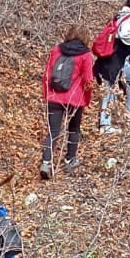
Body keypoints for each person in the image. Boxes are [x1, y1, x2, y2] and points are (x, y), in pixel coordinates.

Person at [40, 26, 95, 179]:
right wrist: (86, 99)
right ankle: (70, 160)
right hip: (75, 99)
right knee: (74, 129)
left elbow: (47, 74)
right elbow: (88, 80)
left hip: (54, 96)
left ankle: (46, 162)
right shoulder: (86, 55)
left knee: (53, 131)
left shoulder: (56, 50)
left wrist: (47, 94)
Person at [95, 0, 130, 132]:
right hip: (115, 59)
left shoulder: (121, 14)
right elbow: (124, 35)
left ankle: (128, 113)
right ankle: (105, 125)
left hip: (113, 57)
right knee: (110, 89)